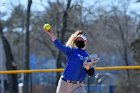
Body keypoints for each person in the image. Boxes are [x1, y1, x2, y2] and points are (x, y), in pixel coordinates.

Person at [44, 28, 98, 93]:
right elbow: (59, 45)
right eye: (77, 40)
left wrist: (88, 68)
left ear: (85, 41)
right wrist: (51, 34)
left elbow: (92, 74)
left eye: (81, 39)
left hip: (78, 85)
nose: (79, 40)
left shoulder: (88, 57)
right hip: (65, 83)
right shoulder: (71, 51)